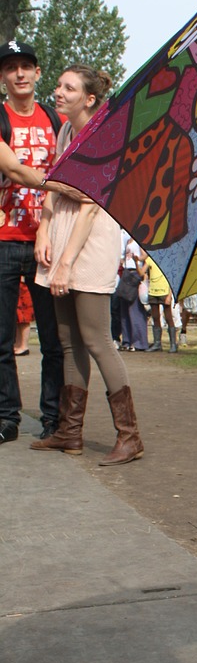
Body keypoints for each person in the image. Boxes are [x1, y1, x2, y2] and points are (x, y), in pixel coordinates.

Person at [31, 65, 144, 464]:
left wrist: (65, 263)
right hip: (62, 233)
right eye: (59, 85)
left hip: (89, 241)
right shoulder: (65, 131)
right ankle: (70, 432)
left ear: (90, 98)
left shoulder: (104, 135)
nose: (58, 92)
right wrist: (44, 230)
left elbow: (90, 204)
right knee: (68, 340)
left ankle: (129, 436)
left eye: (68, 88)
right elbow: (54, 185)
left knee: (96, 338)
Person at [0, 40, 65, 444]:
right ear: (3, 77)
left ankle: (53, 419)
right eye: (11, 68)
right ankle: (7, 418)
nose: (20, 74)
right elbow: (12, 169)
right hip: (5, 239)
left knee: (54, 340)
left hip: (49, 240)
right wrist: (64, 184)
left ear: (38, 73)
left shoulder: (56, 120)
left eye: (26, 66)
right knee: (2, 339)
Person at [144, 254, 178, 351]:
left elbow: (172, 278)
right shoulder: (150, 259)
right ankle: (157, 343)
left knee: (168, 317)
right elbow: (142, 272)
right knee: (155, 317)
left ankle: (173, 344)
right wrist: (136, 262)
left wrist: (169, 295)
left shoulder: (168, 260)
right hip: (153, 291)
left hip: (164, 291)